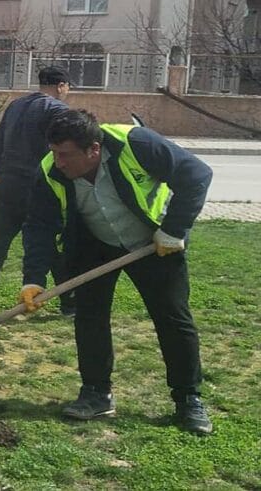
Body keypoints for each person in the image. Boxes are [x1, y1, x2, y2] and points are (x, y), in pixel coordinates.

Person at [19, 109, 213, 435]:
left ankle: (188, 399)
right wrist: (34, 278)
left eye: (65, 154)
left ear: (93, 149)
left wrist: (173, 229)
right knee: (90, 316)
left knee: (172, 318)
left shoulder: (136, 144)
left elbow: (196, 175)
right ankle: (96, 393)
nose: (59, 162)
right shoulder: (51, 171)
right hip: (94, 244)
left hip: (154, 243)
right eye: (55, 153)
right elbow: (38, 226)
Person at [0, 66, 71, 326]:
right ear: (61, 86)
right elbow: (66, 152)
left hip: (9, 186)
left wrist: (5, 174)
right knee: (49, 242)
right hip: (38, 189)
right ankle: (70, 303)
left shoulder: (16, 106)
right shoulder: (58, 111)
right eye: (67, 88)